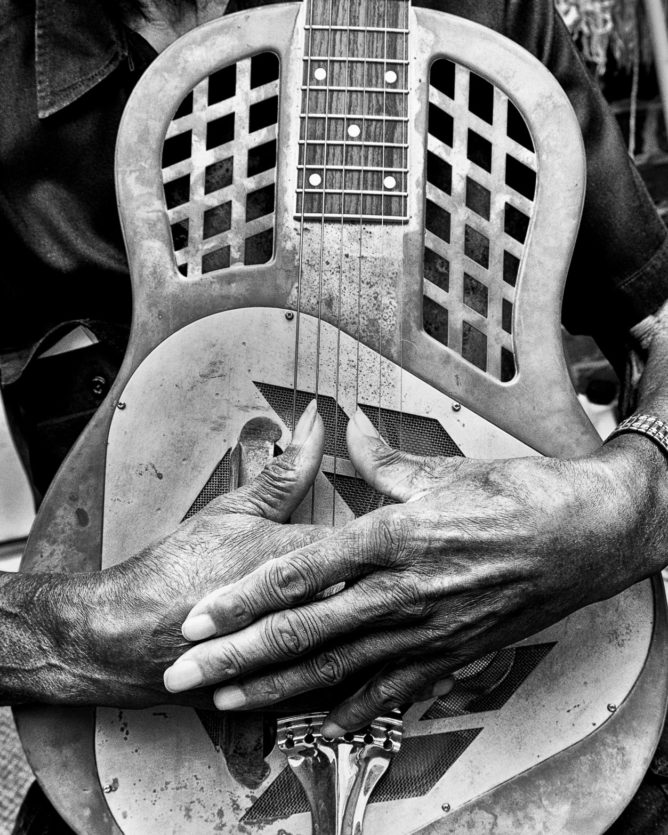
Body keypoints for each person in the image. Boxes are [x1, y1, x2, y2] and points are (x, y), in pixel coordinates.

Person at [2, 0, 668, 832]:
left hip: (537, 714)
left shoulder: (487, 13)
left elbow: (661, 320)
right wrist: (71, 632)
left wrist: (635, 500)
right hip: (151, 749)